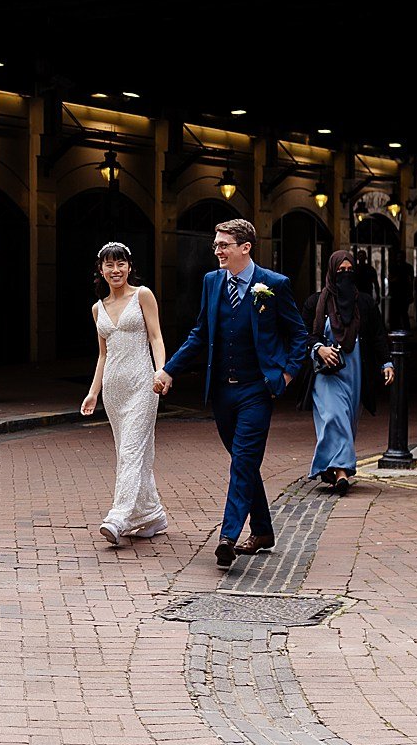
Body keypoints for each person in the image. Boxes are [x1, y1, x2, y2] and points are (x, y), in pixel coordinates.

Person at [154, 218, 310, 567]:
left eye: (223, 244)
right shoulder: (212, 282)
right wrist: (169, 369)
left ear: (245, 247)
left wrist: (286, 375)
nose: (217, 250)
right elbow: (199, 334)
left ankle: (228, 537)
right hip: (223, 392)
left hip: (257, 390)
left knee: (242, 462)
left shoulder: (274, 284)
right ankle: (264, 530)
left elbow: (299, 335)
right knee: (245, 462)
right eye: (216, 244)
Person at [79, 242, 170, 546]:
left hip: (143, 384)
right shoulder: (98, 308)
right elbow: (102, 355)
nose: (115, 270)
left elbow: (156, 337)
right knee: (131, 452)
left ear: (129, 267)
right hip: (115, 391)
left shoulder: (142, 295)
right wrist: (93, 393)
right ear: (101, 270)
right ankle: (151, 514)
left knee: (131, 451)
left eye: (121, 264)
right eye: (109, 265)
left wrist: (161, 370)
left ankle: (119, 516)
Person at [300, 250, 395, 494]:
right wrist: (319, 349)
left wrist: (386, 362)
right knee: (334, 416)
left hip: (355, 371)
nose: (345, 275)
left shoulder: (364, 302)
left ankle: (329, 467)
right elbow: (302, 336)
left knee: (347, 421)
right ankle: (342, 472)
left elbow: (377, 334)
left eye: (349, 271)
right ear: (331, 272)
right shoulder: (315, 302)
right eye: (340, 271)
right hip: (326, 373)